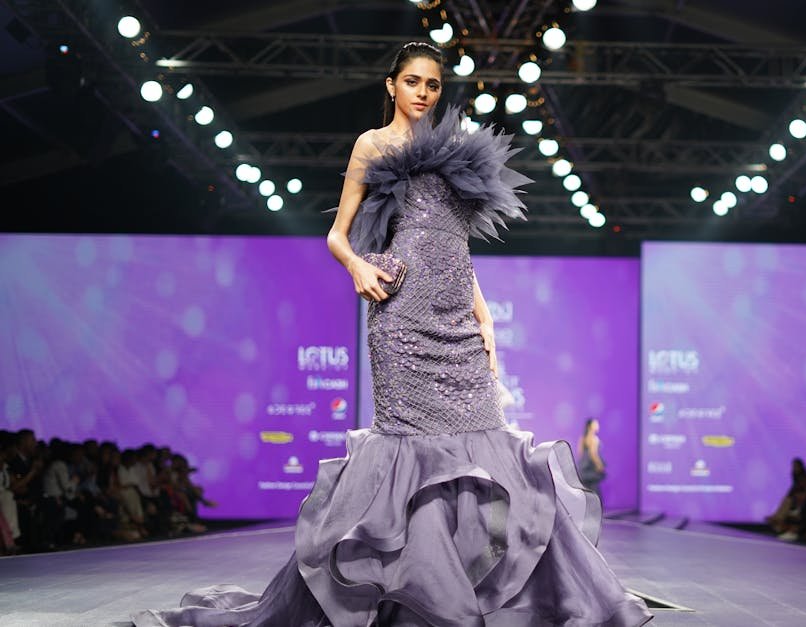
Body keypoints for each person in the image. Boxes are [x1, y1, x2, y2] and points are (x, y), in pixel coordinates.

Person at [134, 42, 651, 626]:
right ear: (391, 85)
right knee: (410, 457)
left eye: (432, 84)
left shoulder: (456, 152)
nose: (422, 92)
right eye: (412, 81)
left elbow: (456, 248)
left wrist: (485, 319)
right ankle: (415, 602)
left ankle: (504, 595)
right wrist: (357, 266)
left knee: (489, 448)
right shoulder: (372, 145)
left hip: (457, 320)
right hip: (401, 318)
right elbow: (337, 234)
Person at [577, 418, 608, 499]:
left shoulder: (583, 438)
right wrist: (599, 465)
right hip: (591, 468)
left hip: (583, 468)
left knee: (586, 492)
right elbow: (593, 453)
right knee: (595, 492)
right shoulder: (594, 439)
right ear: (590, 426)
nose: (597, 425)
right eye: (595, 424)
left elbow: (580, 452)